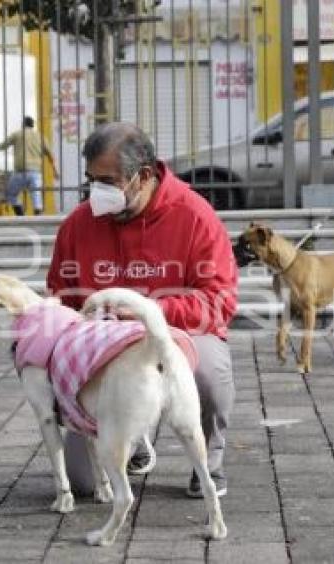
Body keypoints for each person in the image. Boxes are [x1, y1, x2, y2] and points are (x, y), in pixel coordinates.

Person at [47, 122, 238, 498]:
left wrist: (153, 313)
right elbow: (60, 295)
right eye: (91, 181)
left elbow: (219, 300)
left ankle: (208, 466)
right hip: (103, 350)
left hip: (174, 334)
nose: (96, 192)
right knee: (85, 484)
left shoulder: (194, 216)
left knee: (210, 372)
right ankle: (134, 441)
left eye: (107, 181)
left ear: (144, 176)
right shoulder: (78, 225)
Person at [0, 116, 59, 216]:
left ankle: (20, 215)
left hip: (20, 171)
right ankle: (38, 213)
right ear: (33, 125)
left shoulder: (17, 134)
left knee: (11, 194)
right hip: (35, 172)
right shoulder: (40, 137)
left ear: (23, 124)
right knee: (36, 193)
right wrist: (55, 171)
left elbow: (4, 145)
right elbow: (50, 155)